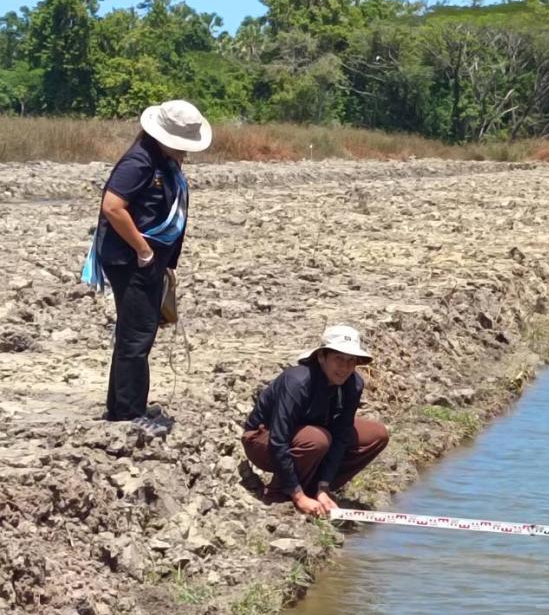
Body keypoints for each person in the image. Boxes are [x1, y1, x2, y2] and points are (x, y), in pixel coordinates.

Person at [82, 99, 212, 423]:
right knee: (136, 335)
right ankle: (128, 413)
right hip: (132, 260)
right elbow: (113, 207)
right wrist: (144, 250)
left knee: (138, 331)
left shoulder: (164, 162)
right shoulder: (139, 162)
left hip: (147, 260)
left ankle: (125, 404)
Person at [242, 325, 390, 517]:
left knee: (377, 434)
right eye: (338, 359)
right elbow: (278, 440)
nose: (345, 368)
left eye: (350, 361)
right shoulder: (298, 382)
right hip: (263, 440)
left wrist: (324, 485)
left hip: (311, 436)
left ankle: (314, 489)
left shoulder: (353, 384)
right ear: (321, 357)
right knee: (317, 439)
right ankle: (281, 493)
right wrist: (298, 495)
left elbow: (342, 434)